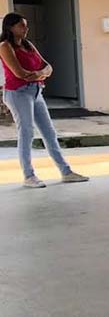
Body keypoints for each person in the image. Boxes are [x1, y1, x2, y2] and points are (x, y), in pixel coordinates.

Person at [0, 12, 88, 188]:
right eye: (21, 25)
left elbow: (48, 67)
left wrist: (39, 74)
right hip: (17, 93)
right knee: (27, 132)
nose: (26, 28)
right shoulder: (5, 46)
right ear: (10, 27)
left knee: (49, 132)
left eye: (26, 25)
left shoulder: (28, 45)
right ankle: (28, 175)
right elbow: (20, 74)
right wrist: (40, 74)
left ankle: (66, 171)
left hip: (35, 92)